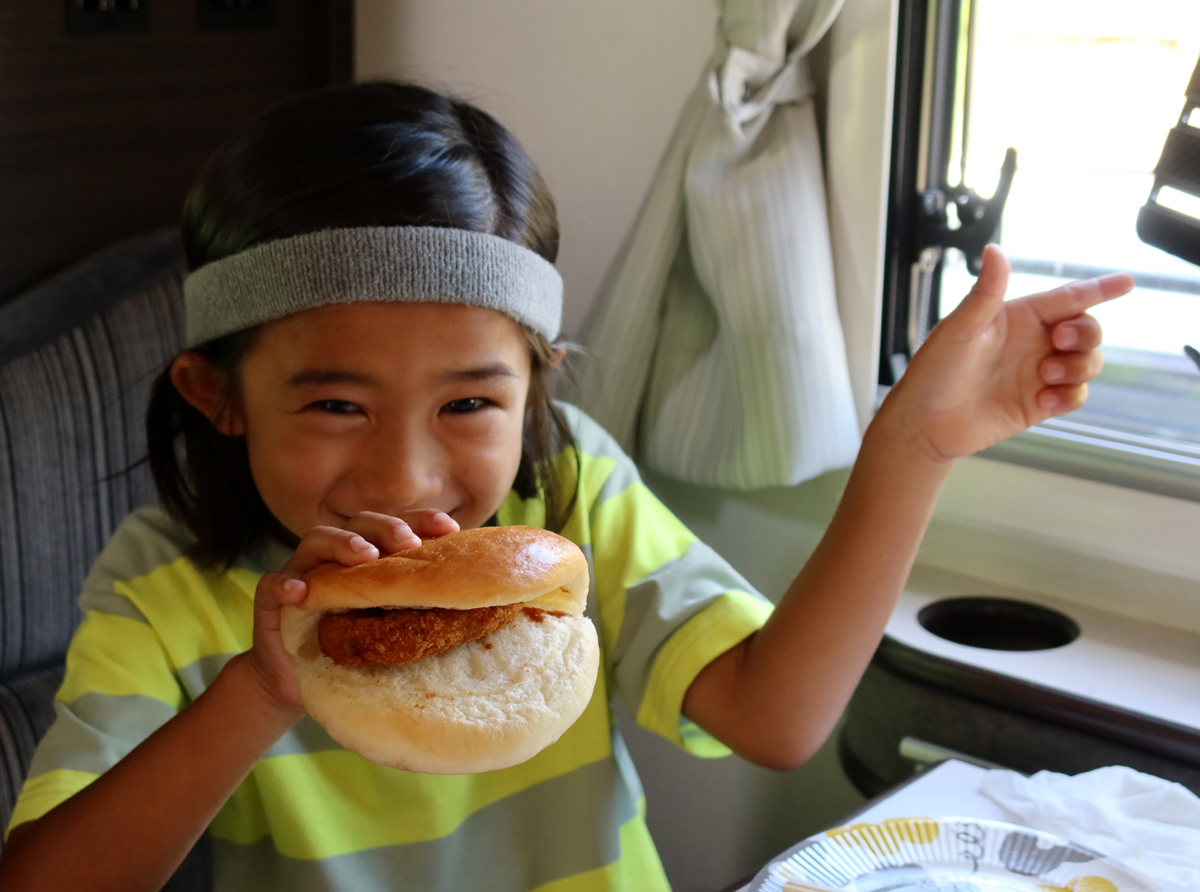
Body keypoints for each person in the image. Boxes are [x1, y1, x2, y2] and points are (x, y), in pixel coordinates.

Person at [0, 81, 1131, 892]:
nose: (406, 478)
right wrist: (261, 688)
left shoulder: (569, 496)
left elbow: (777, 719)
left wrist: (913, 450)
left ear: (537, 386)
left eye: (470, 403)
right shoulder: (158, 584)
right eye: (336, 405)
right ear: (218, 393)